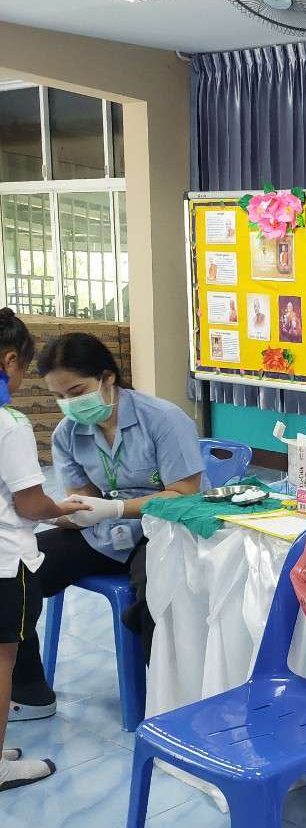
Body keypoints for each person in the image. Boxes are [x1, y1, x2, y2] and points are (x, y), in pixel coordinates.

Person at [8, 333, 205, 721]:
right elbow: (82, 500)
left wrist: (116, 508)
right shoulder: (68, 434)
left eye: (76, 392)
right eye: (58, 397)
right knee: (17, 571)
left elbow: (185, 495)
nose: (69, 404)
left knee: (155, 593)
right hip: (106, 536)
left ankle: (169, 709)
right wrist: (48, 513)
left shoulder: (162, 419)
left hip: (165, 530)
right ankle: (29, 691)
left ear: (107, 377)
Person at [0, 310, 89, 788]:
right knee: (3, 659)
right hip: (4, 562)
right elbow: (31, 503)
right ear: (10, 360)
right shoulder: (9, 423)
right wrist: (63, 510)